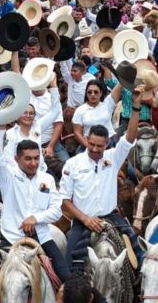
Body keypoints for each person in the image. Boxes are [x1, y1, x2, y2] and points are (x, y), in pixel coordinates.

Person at [61, 103, 142, 265]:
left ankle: (138, 287)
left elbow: (130, 137)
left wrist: (135, 108)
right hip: (82, 221)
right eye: (92, 144)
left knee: (139, 254)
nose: (95, 149)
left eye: (100, 146)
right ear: (87, 140)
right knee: (69, 261)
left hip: (111, 217)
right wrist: (85, 219)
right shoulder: (72, 164)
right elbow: (64, 200)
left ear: (107, 144)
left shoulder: (113, 157)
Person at [0, 125, 66, 279]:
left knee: (66, 277)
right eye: (28, 159)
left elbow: (57, 211)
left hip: (41, 237)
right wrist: (0, 127)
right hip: (10, 238)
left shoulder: (47, 179)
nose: (33, 163)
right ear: (17, 159)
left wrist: (35, 219)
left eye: (37, 158)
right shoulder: (7, 176)